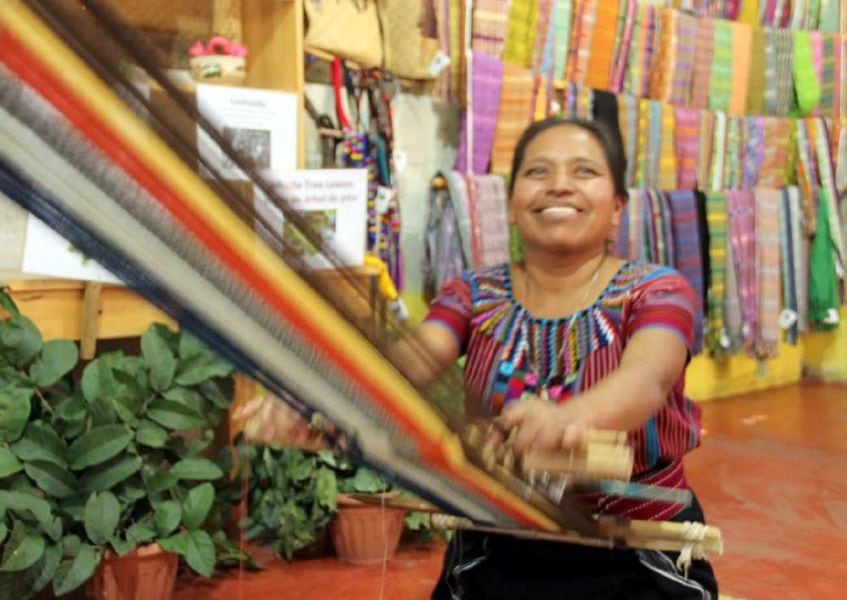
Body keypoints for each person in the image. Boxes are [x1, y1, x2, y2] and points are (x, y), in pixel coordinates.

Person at [239, 117, 718, 599]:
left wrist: (571, 418)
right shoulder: (473, 294)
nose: (559, 186)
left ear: (617, 207)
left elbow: (646, 381)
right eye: (537, 172)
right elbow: (413, 361)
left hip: (638, 551)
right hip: (500, 545)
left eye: (584, 171)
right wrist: (326, 397)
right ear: (512, 205)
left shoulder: (658, 290)